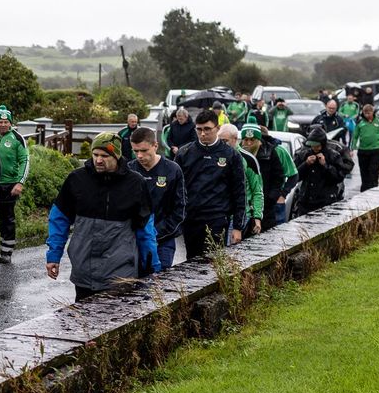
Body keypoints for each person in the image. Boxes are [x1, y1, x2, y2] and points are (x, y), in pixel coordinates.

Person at [45, 132, 159, 301]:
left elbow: (145, 229)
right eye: (95, 154)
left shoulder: (135, 184)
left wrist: (152, 267)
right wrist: (54, 255)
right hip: (84, 271)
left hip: (120, 273)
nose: (98, 160)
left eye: (105, 156)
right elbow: (59, 219)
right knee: (83, 323)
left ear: (117, 156)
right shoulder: (76, 179)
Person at [173, 109, 247, 259]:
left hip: (217, 218)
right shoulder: (184, 153)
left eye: (207, 129)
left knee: (213, 263)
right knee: (192, 262)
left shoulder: (230, 155)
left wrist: (238, 226)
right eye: (199, 129)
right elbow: (175, 188)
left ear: (217, 128)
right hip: (192, 218)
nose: (203, 134)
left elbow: (239, 191)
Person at [128, 126, 185, 273]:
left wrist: (156, 232)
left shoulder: (172, 170)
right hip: (134, 241)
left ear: (155, 146)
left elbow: (180, 209)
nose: (139, 156)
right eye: (136, 151)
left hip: (163, 240)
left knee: (158, 285)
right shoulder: (129, 170)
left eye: (144, 150)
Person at [0, 106, 30, 264]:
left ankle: (6, 252)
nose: (3, 124)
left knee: (7, 220)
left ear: (10, 123)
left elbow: (24, 160)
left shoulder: (17, 138)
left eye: (6, 122)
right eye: (0, 121)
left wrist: (20, 182)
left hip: (9, 186)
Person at [241, 125, 296, 230]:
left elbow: (286, 176)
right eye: (246, 139)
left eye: (252, 140)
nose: (249, 143)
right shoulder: (238, 154)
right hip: (244, 208)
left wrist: (279, 196)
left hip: (267, 206)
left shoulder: (275, 152)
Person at [291, 126, 353, 217]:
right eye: (312, 145)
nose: (315, 148)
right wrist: (306, 164)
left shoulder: (333, 155)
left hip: (325, 201)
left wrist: (325, 165)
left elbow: (338, 177)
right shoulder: (304, 154)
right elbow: (295, 175)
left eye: (317, 146)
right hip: (306, 200)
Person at [219, 124, 264, 237]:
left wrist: (257, 217)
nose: (221, 144)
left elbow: (257, 190)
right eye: (219, 141)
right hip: (218, 213)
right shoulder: (216, 156)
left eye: (225, 141)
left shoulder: (248, 159)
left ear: (235, 139)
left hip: (241, 214)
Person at [353, 104, 379, 191]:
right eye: (365, 113)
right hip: (363, 150)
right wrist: (353, 148)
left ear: (373, 112)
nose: (367, 115)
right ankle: (364, 190)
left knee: (374, 171)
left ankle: (373, 189)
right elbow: (354, 136)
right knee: (364, 172)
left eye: (369, 113)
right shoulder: (360, 122)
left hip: (376, 150)